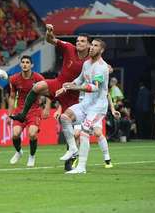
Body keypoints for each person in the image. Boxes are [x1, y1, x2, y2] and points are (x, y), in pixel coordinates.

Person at [9, 24, 90, 166]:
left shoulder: (91, 59)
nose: (78, 43)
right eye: (77, 41)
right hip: (59, 83)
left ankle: (69, 162)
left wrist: (107, 68)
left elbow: (101, 66)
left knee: (69, 126)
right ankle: (23, 114)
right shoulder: (69, 48)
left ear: (89, 44)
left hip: (73, 93)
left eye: (82, 41)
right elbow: (50, 40)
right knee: (37, 87)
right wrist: (48, 32)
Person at [56, 39, 109, 174]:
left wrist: (77, 87)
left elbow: (95, 87)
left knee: (85, 131)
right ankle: (73, 149)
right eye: (91, 44)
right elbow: (79, 79)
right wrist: (67, 86)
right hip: (86, 104)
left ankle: (81, 167)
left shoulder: (101, 67)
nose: (91, 47)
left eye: (95, 46)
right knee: (64, 117)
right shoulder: (86, 63)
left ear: (101, 50)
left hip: (98, 107)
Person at [8, 55, 50, 167]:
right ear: (20, 64)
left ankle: (32, 156)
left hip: (34, 111)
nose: (25, 64)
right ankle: (19, 152)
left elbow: (48, 93)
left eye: (27, 62)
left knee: (32, 134)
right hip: (20, 111)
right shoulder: (14, 79)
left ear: (31, 65)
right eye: (23, 62)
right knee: (15, 134)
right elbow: (12, 97)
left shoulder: (38, 78)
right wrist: (9, 114)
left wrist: (47, 107)